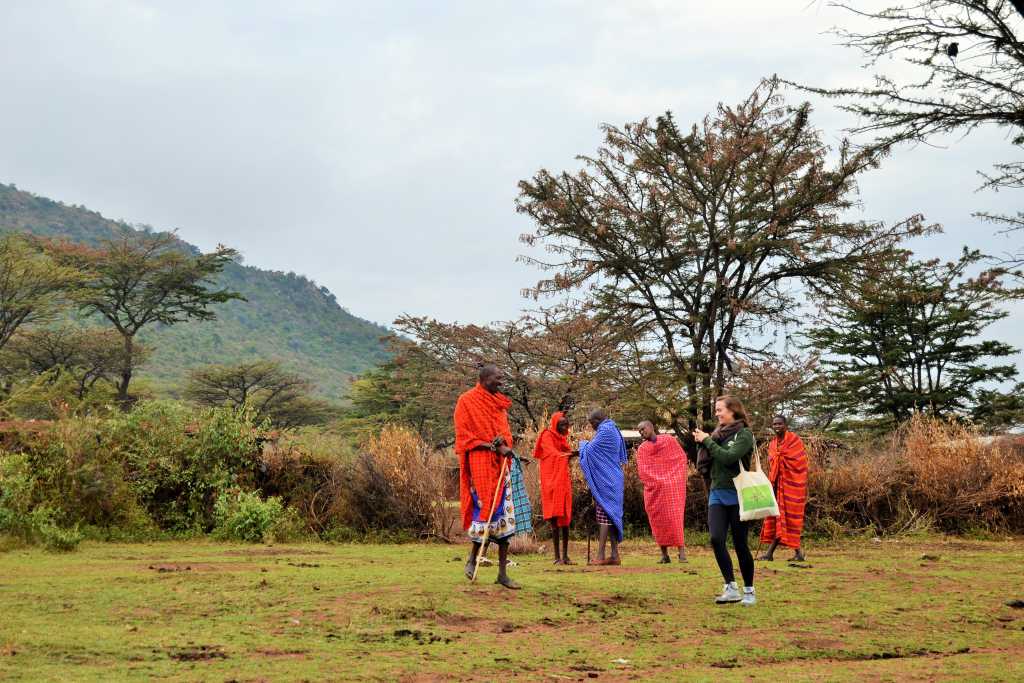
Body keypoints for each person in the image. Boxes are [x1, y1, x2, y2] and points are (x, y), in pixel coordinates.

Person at [453, 363, 520, 589]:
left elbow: (503, 434)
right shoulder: (467, 401)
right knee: (484, 513)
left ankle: (502, 574)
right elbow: (464, 438)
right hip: (480, 466)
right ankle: (472, 559)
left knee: (504, 518)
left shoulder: (499, 404)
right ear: (484, 378)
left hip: (501, 467)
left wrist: (504, 446)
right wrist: (491, 446)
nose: (501, 382)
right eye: (497, 378)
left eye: (502, 378)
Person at [693, 396, 756, 606]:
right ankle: (730, 586)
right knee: (716, 539)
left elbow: (729, 458)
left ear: (733, 411)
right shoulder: (717, 434)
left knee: (740, 544)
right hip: (717, 493)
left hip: (738, 494)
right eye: (717, 410)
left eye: (720, 410)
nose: (717, 414)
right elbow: (710, 458)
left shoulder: (744, 434)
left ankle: (749, 590)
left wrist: (707, 441)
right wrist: (703, 445)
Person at [579, 408, 628, 566]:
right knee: (612, 517)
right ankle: (614, 555)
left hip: (608, 481)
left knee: (604, 517)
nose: (591, 426)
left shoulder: (605, 430)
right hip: (613, 478)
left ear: (598, 420)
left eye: (592, 423)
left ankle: (600, 555)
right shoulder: (612, 428)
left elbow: (591, 450)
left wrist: (582, 445)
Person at [635, 421, 688, 563]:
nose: (641, 432)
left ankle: (681, 552)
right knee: (658, 520)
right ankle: (664, 555)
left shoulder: (668, 440)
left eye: (643, 429)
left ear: (651, 427)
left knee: (675, 518)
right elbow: (643, 471)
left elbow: (680, 458)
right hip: (654, 490)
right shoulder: (642, 449)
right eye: (639, 431)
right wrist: (658, 481)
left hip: (672, 488)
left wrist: (672, 480)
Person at [758, 415, 808, 562]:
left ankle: (770, 554)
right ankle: (796, 553)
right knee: (778, 518)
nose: (777, 426)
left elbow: (801, 464)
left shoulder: (794, 441)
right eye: (774, 424)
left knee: (788, 519)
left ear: (785, 425)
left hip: (791, 487)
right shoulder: (773, 444)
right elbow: (772, 465)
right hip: (776, 486)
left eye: (779, 423)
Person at [533, 411, 576, 565]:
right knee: (554, 520)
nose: (566, 427)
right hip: (550, 482)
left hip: (562, 482)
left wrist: (573, 453)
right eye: (563, 424)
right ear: (555, 424)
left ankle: (566, 556)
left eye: (567, 424)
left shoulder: (561, 438)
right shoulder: (547, 436)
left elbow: (566, 451)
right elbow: (552, 453)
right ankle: (557, 557)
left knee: (565, 518)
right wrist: (566, 455)